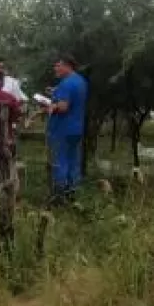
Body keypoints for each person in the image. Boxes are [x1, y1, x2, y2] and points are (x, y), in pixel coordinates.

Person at [45, 56, 88, 201]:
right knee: (73, 161)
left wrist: (51, 106)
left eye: (58, 65)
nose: (55, 69)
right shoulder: (80, 81)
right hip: (76, 128)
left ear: (68, 66)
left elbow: (63, 107)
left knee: (60, 162)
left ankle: (59, 196)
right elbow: (73, 98)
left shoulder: (66, 84)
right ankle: (73, 192)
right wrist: (55, 93)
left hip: (62, 130)